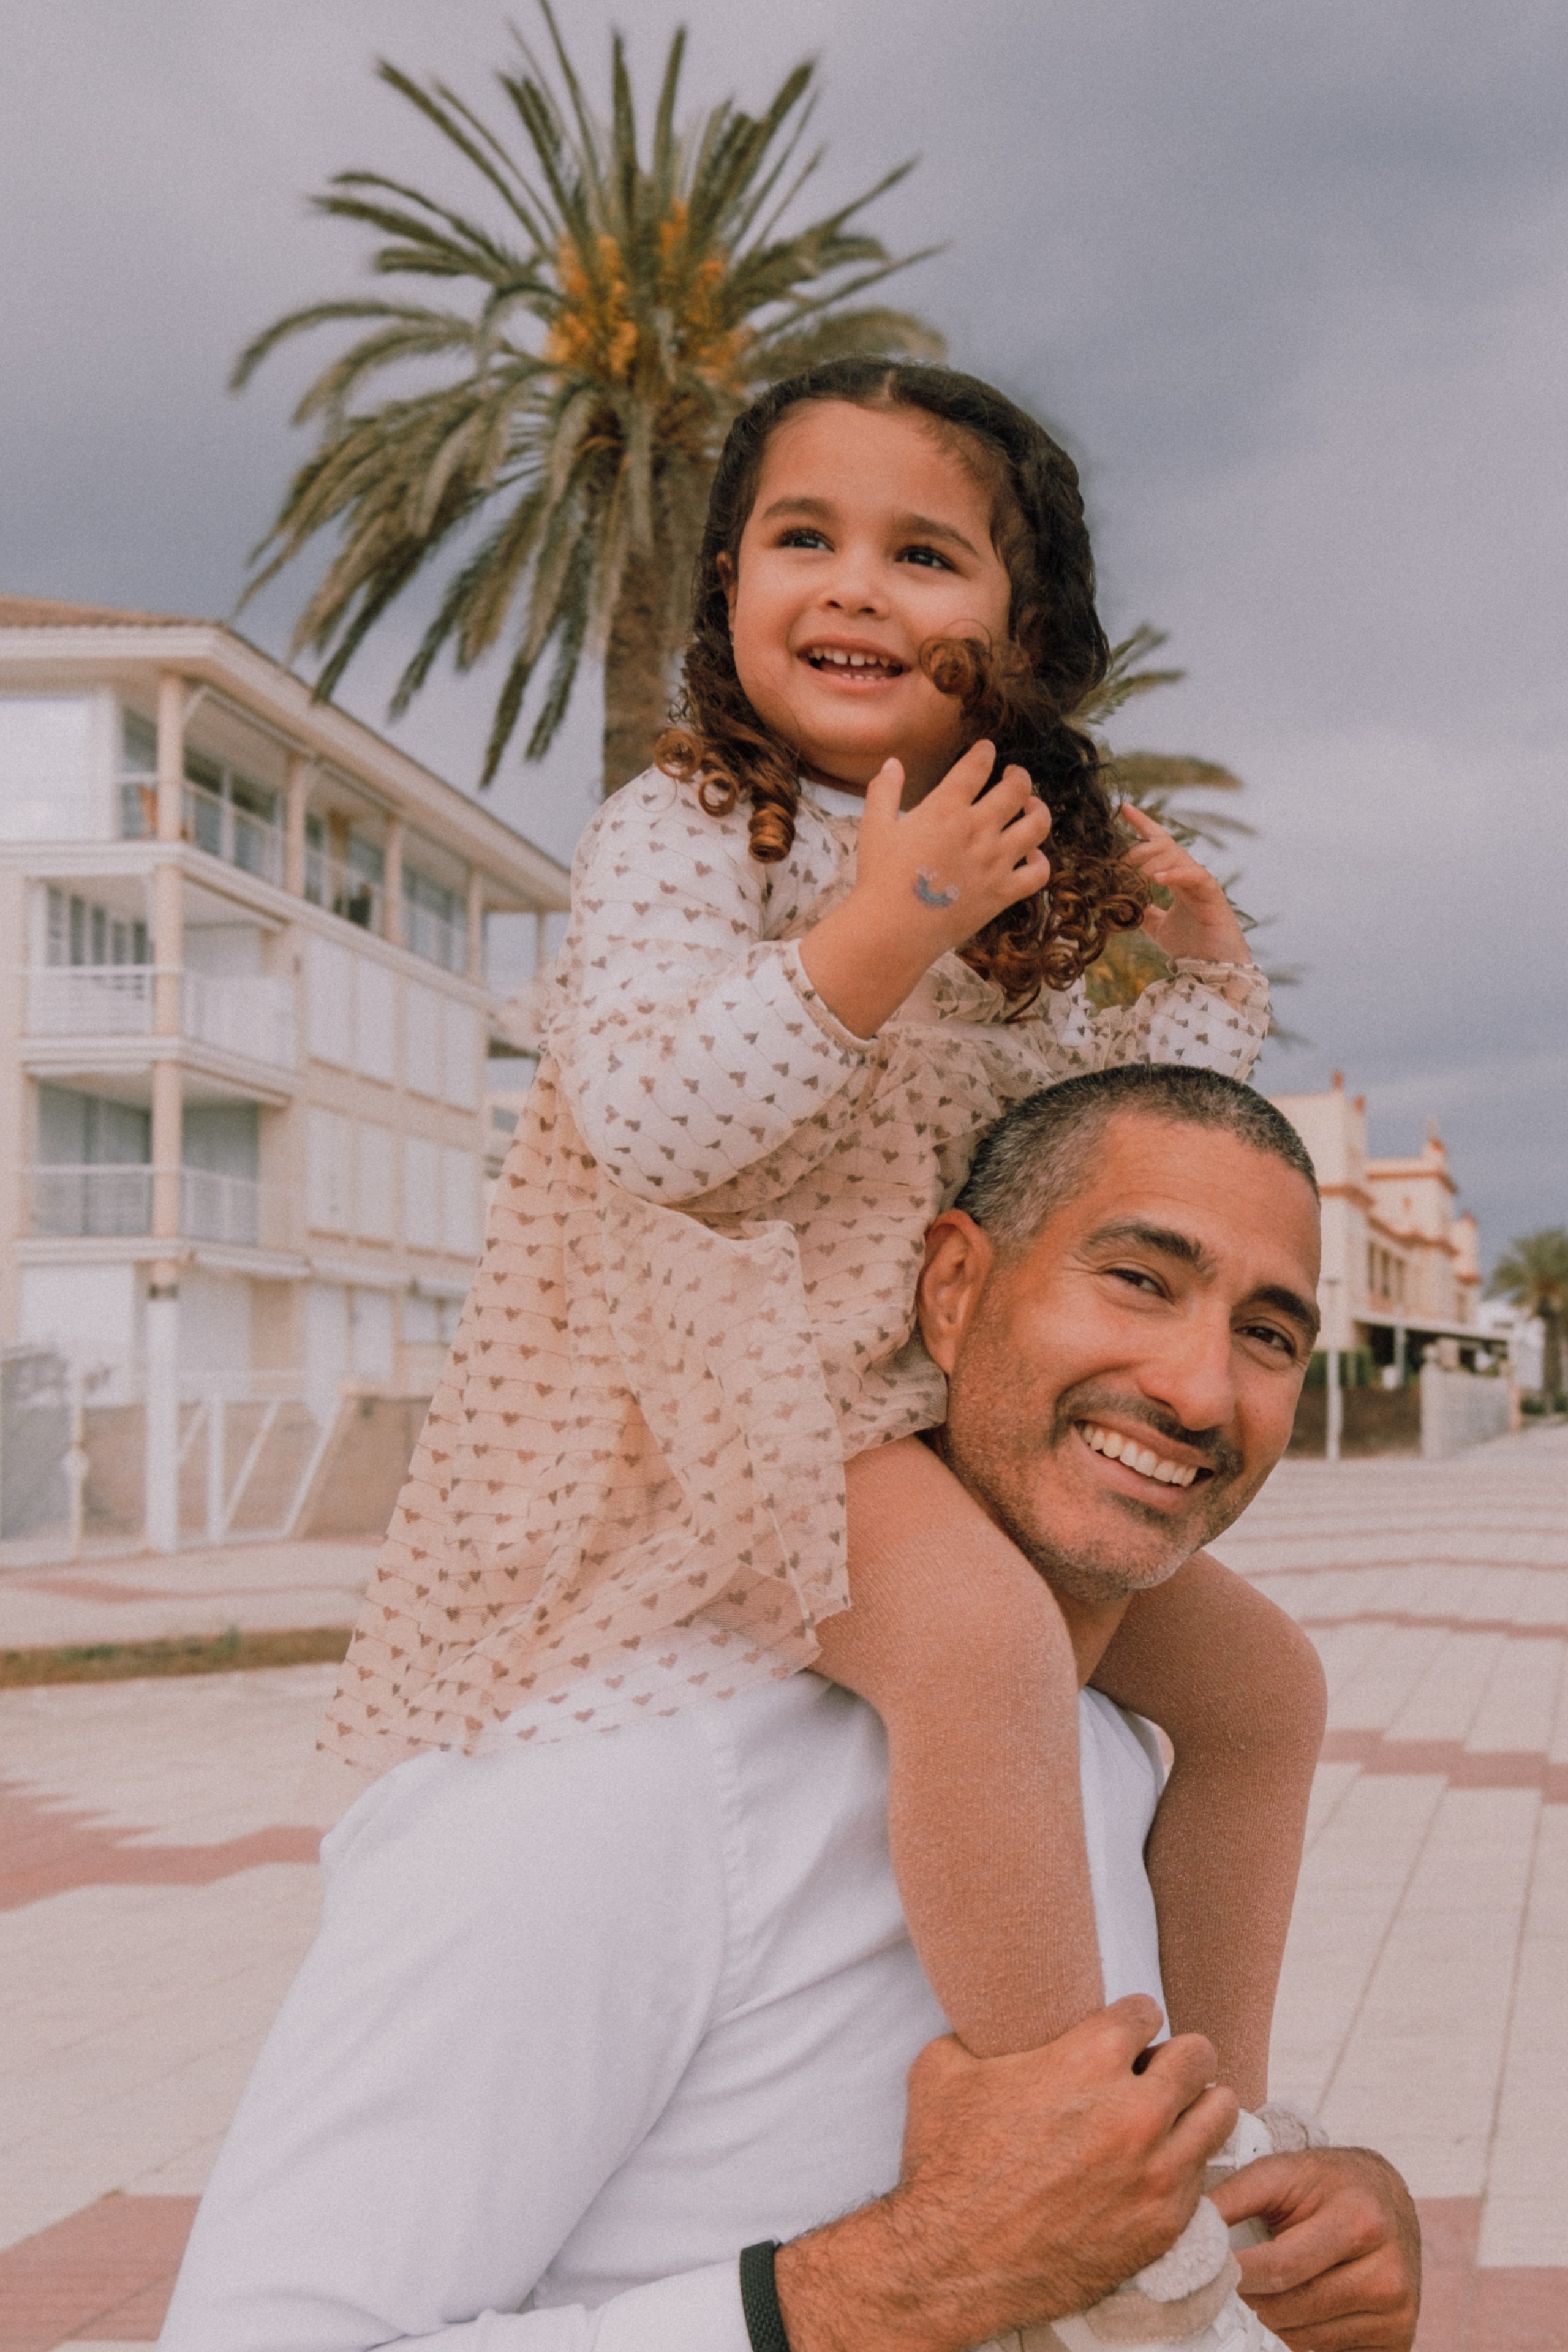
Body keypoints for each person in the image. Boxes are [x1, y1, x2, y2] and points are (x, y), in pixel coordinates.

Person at [316, 363, 1322, 2144]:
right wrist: (879, 931)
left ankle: (1214, 2122)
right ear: (726, 590)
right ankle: (1055, 2130)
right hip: (743, 1425)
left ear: (1026, 634)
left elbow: (1081, 1150)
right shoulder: (693, 831)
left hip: (927, 1415)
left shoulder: (1005, 873)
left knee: (1263, 1688)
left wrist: (1198, 988)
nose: (855, 586)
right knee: (984, 1645)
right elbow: (652, 1120)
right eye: (805, 538)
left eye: (924, 554)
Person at [159, 1070, 1420, 2351]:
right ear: (950, 1291)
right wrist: (882, 2286)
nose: (1201, 1390)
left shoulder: (1108, 1757)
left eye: (1266, 1334)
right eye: (1138, 1280)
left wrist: (1292, 2230)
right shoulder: (622, 1777)